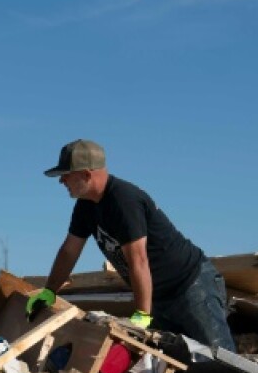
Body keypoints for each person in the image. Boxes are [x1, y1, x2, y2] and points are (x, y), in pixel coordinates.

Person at [31, 140, 236, 352]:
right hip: (158, 297)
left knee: (220, 363)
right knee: (175, 369)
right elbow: (69, 251)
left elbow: (138, 259)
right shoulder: (85, 207)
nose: (62, 181)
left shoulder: (123, 200)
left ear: (86, 174)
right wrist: (49, 292)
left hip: (191, 287)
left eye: (66, 174)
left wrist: (142, 315)